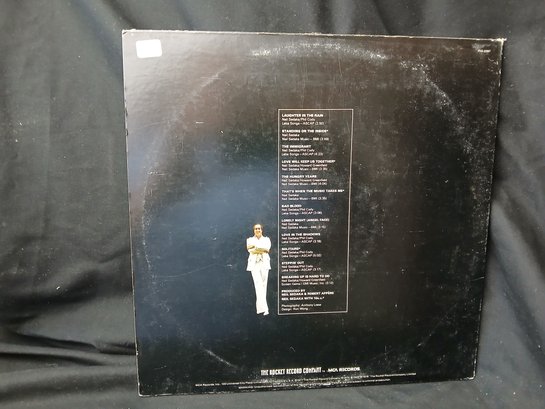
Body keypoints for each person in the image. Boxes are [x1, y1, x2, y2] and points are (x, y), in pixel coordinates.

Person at [246, 224, 271, 315]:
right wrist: (261, 249)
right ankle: (265, 308)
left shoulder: (267, 239)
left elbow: (267, 250)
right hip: (254, 264)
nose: (257, 230)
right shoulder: (249, 240)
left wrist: (256, 248)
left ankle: (260, 309)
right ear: (254, 230)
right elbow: (250, 250)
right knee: (258, 285)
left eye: (259, 228)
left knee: (264, 285)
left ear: (261, 230)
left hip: (264, 263)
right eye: (256, 229)